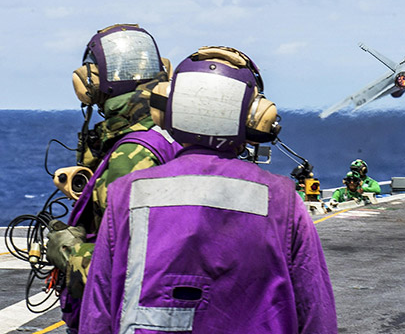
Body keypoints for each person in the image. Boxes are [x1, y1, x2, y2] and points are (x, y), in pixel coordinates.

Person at [79, 46, 337, 333]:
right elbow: (315, 313)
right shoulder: (282, 199)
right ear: (255, 119)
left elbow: (98, 314)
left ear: (166, 109)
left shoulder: (126, 194)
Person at [45, 24, 182, 333]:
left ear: (91, 84)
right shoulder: (171, 133)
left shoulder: (131, 154)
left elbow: (128, 265)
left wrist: (68, 252)